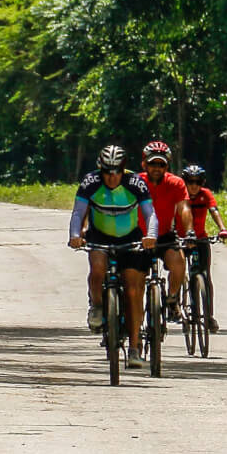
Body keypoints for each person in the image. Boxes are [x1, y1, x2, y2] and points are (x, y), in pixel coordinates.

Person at [67, 145, 157, 358]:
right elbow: (78, 213)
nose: (111, 176)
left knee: (134, 290)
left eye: (116, 171)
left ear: (123, 169)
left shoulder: (135, 182)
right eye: (106, 171)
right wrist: (74, 235)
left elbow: (150, 214)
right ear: (101, 169)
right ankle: (97, 305)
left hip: (130, 238)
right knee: (98, 268)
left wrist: (151, 235)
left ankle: (134, 347)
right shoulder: (91, 182)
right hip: (99, 235)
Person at [138, 141, 192, 322]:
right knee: (132, 277)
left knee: (179, 262)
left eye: (161, 164)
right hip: (138, 236)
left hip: (164, 235)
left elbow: (184, 208)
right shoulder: (135, 182)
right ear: (144, 164)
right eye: (152, 163)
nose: (156, 168)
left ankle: (172, 298)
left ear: (167, 166)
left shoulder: (176, 183)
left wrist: (189, 232)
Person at [179, 162, 227, 330]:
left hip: (200, 240)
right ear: (185, 182)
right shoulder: (180, 195)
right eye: (190, 182)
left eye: (198, 182)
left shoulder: (205, 194)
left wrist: (222, 229)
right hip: (181, 240)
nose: (194, 186)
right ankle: (178, 306)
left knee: (205, 277)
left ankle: (208, 316)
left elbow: (214, 210)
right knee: (177, 271)